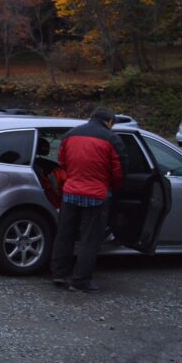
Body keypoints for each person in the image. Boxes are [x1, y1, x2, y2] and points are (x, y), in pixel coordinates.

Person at [50, 108, 125, 293]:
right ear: (109, 121)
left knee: (65, 235)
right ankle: (80, 280)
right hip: (96, 195)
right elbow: (119, 171)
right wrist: (114, 188)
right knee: (89, 240)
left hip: (71, 192)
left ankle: (59, 273)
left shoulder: (70, 135)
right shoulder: (112, 139)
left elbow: (62, 162)